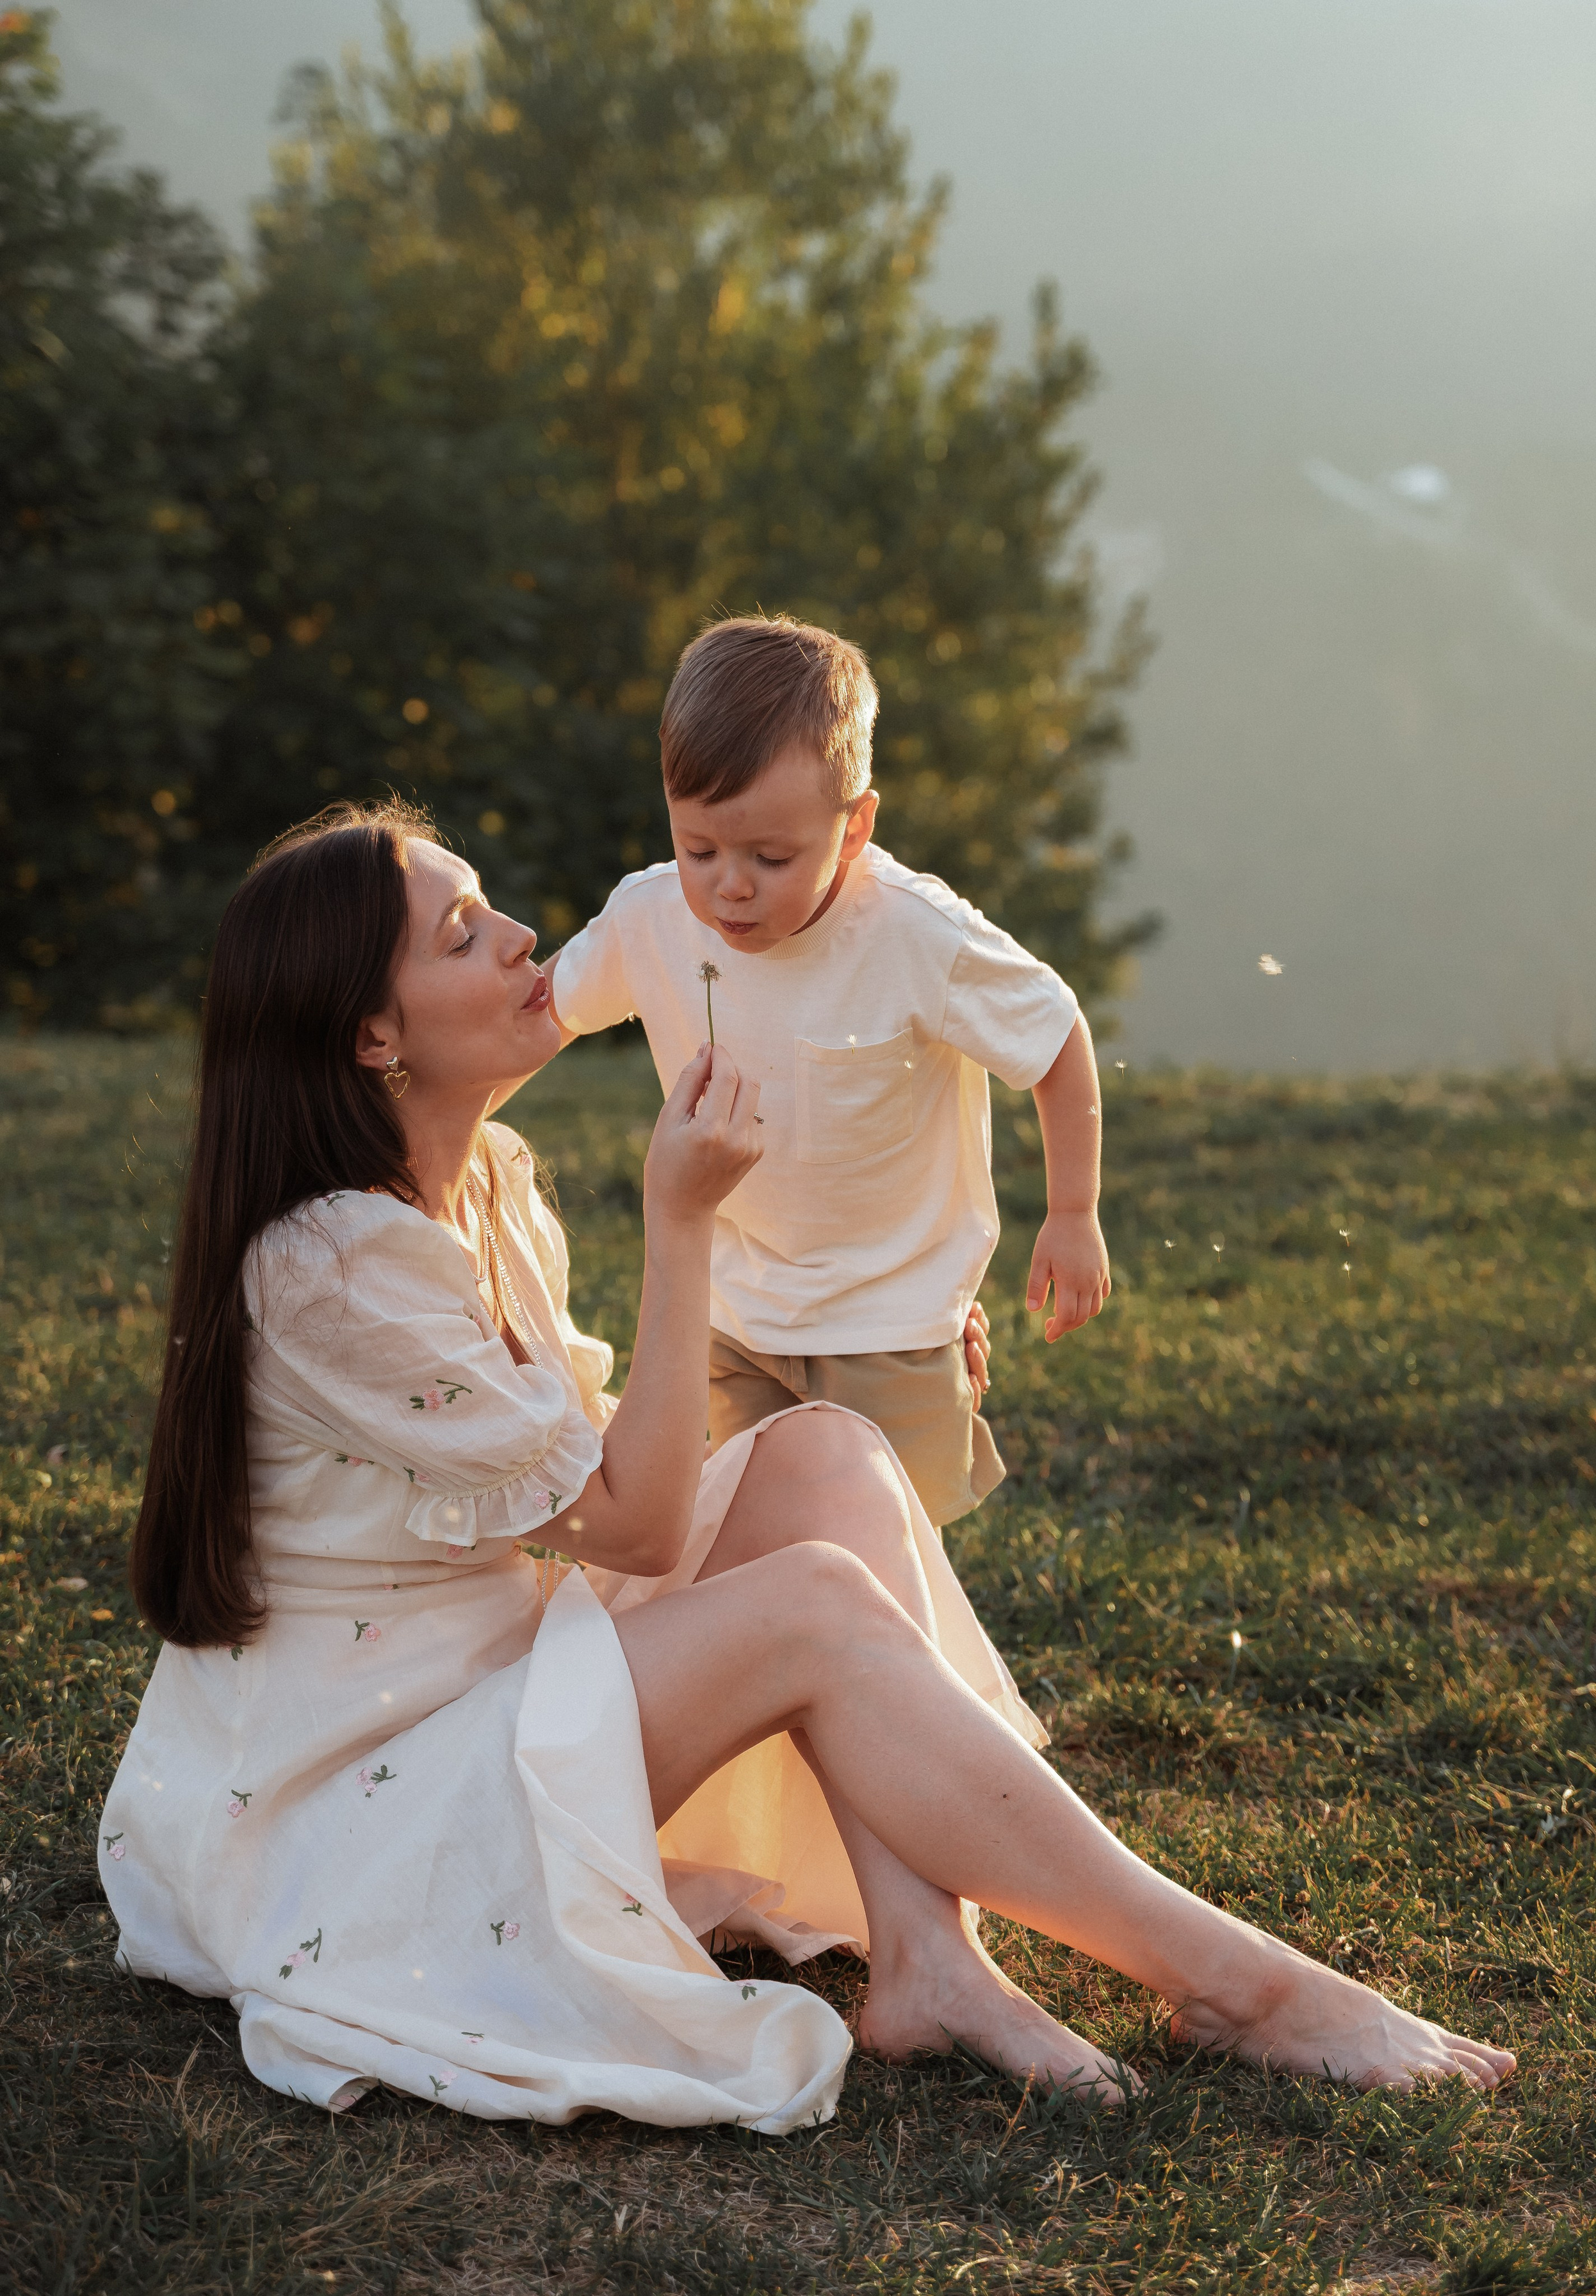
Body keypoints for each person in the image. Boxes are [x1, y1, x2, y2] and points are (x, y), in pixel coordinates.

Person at [101, 801, 1515, 2133]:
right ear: (369, 1034)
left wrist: (892, 1324)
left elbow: (605, 1473)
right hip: (367, 1801)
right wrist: (679, 1222)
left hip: (490, 1681)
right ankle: (1238, 1981)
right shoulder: (337, 1263)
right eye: (463, 932)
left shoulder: (485, 1178)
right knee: (812, 1606)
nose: (523, 934)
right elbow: (639, 1529)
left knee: (826, 1456)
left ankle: (925, 1960)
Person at [545, 613, 1109, 1532]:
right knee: (746, 1539)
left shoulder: (916, 937)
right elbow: (538, 1020)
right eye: (700, 849)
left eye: (772, 858)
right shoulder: (649, 920)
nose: (730, 885)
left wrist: (1074, 1213)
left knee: (886, 1558)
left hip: (891, 1326)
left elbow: (1055, 1037)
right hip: (733, 1319)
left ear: (854, 831)